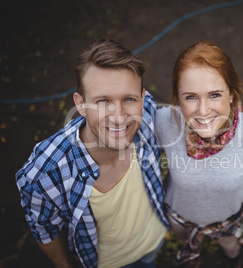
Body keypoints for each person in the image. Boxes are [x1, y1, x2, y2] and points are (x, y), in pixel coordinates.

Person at [16, 39, 169, 268]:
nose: (119, 117)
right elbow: (45, 229)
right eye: (103, 101)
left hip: (154, 238)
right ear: (80, 104)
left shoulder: (147, 112)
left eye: (129, 99)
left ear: (142, 97)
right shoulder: (45, 173)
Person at [155, 40, 243, 264]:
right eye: (190, 97)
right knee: (187, 249)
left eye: (215, 95)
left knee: (231, 250)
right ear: (178, 99)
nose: (203, 110)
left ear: (232, 95)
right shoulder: (164, 123)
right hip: (180, 219)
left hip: (230, 219)